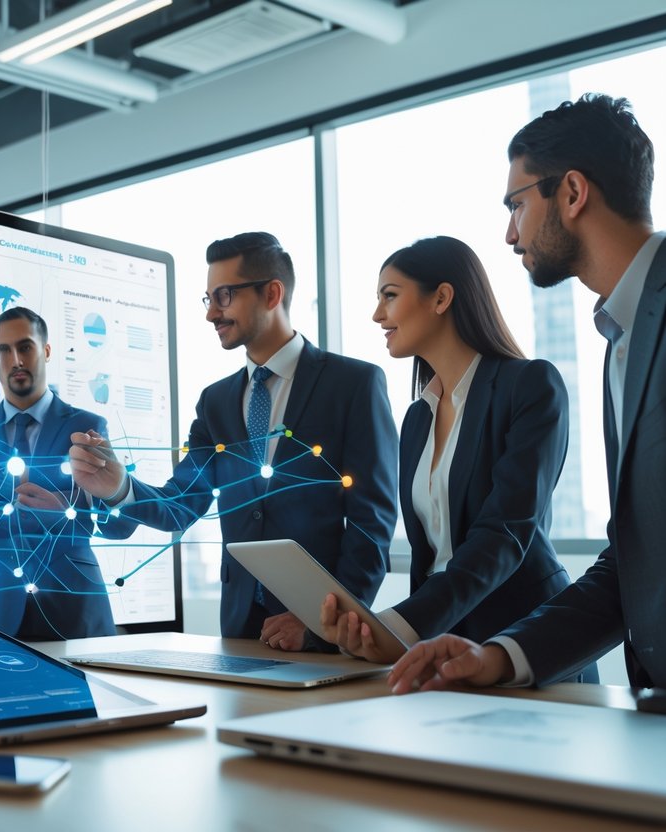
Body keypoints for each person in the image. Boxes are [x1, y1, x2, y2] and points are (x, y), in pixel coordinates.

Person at [390, 93, 666, 693]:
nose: (509, 232)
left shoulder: (549, 373)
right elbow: (633, 562)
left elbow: (505, 534)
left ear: (570, 193)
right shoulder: (621, 336)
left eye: (516, 204)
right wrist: (500, 656)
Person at [71, 232, 398, 646]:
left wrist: (329, 626)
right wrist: (119, 488)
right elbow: (181, 504)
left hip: (323, 634)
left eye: (223, 296)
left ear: (272, 293)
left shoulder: (353, 384)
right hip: (240, 632)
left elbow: (373, 523)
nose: (211, 314)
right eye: (207, 299)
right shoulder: (216, 403)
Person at [319, 236, 584, 671]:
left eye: (389, 296)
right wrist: (399, 635)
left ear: (441, 297)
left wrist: (404, 627)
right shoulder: (417, 418)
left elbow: (503, 534)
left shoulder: (531, 385)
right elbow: (431, 562)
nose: (376, 314)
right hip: (444, 648)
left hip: (524, 642)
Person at [0, 306, 115, 640]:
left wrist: (66, 513)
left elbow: (103, 516)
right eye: (4, 350)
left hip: (75, 605)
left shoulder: (88, 426)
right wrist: (63, 514)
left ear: (47, 350)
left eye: (25, 347)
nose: (16, 360)